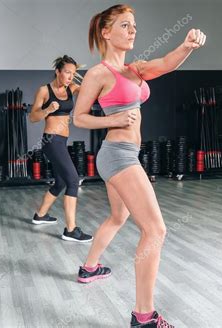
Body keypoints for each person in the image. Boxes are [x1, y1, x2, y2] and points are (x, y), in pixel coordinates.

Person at [73, 4, 206, 327]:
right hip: (117, 154)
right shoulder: (98, 73)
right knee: (156, 230)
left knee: (120, 216)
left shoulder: (135, 69)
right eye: (125, 25)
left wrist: (186, 46)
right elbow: (78, 117)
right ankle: (143, 317)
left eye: (134, 26)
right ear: (106, 32)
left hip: (127, 154)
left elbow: (166, 63)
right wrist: (114, 118)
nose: (133, 30)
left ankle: (89, 267)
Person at [29, 55, 92, 243]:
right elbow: (33, 117)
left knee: (61, 182)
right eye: (67, 72)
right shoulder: (44, 91)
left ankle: (40, 215)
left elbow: (91, 88)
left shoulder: (72, 88)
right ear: (57, 71)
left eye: (73, 73)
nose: (70, 76)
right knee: (73, 180)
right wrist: (47, 110)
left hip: (62, 140)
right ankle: (71, 230)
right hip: (51, 140)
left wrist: (84, 78)